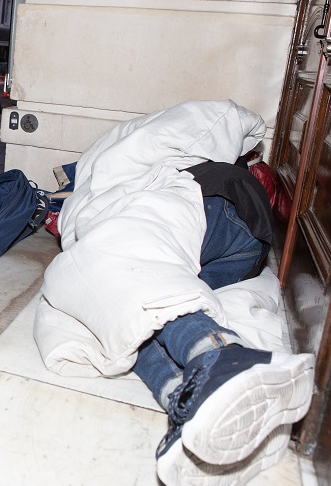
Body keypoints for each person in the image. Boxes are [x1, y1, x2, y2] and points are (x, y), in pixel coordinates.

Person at [132, 162, 315, 484]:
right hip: (240, 250)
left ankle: (224, 357)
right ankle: (189, 406)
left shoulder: (198, 170)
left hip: (225, 213)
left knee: (136, 278)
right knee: (131, 316)